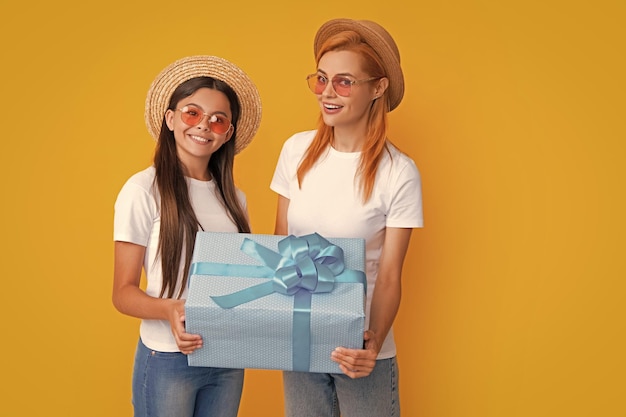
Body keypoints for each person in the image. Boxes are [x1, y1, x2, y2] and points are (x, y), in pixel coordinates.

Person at [270, 18, 423, 416]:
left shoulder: (398, 172)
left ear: (378, 87)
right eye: (321, 79)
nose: (327, 93)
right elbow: (280, 244)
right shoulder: (296, 152)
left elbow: (389, 275)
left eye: (344, 81)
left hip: (359, 347)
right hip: (300, 340)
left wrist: (372, 344)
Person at [112, 55, 262, 417]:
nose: (204, 126)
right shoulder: (143, 189)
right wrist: (169, 309)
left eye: (218, 119)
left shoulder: (235, 199)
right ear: (170, 119)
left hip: (228, 358)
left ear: (228, 132)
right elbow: (122, 293)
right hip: (167, 358)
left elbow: (240, 282)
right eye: (192, 113)